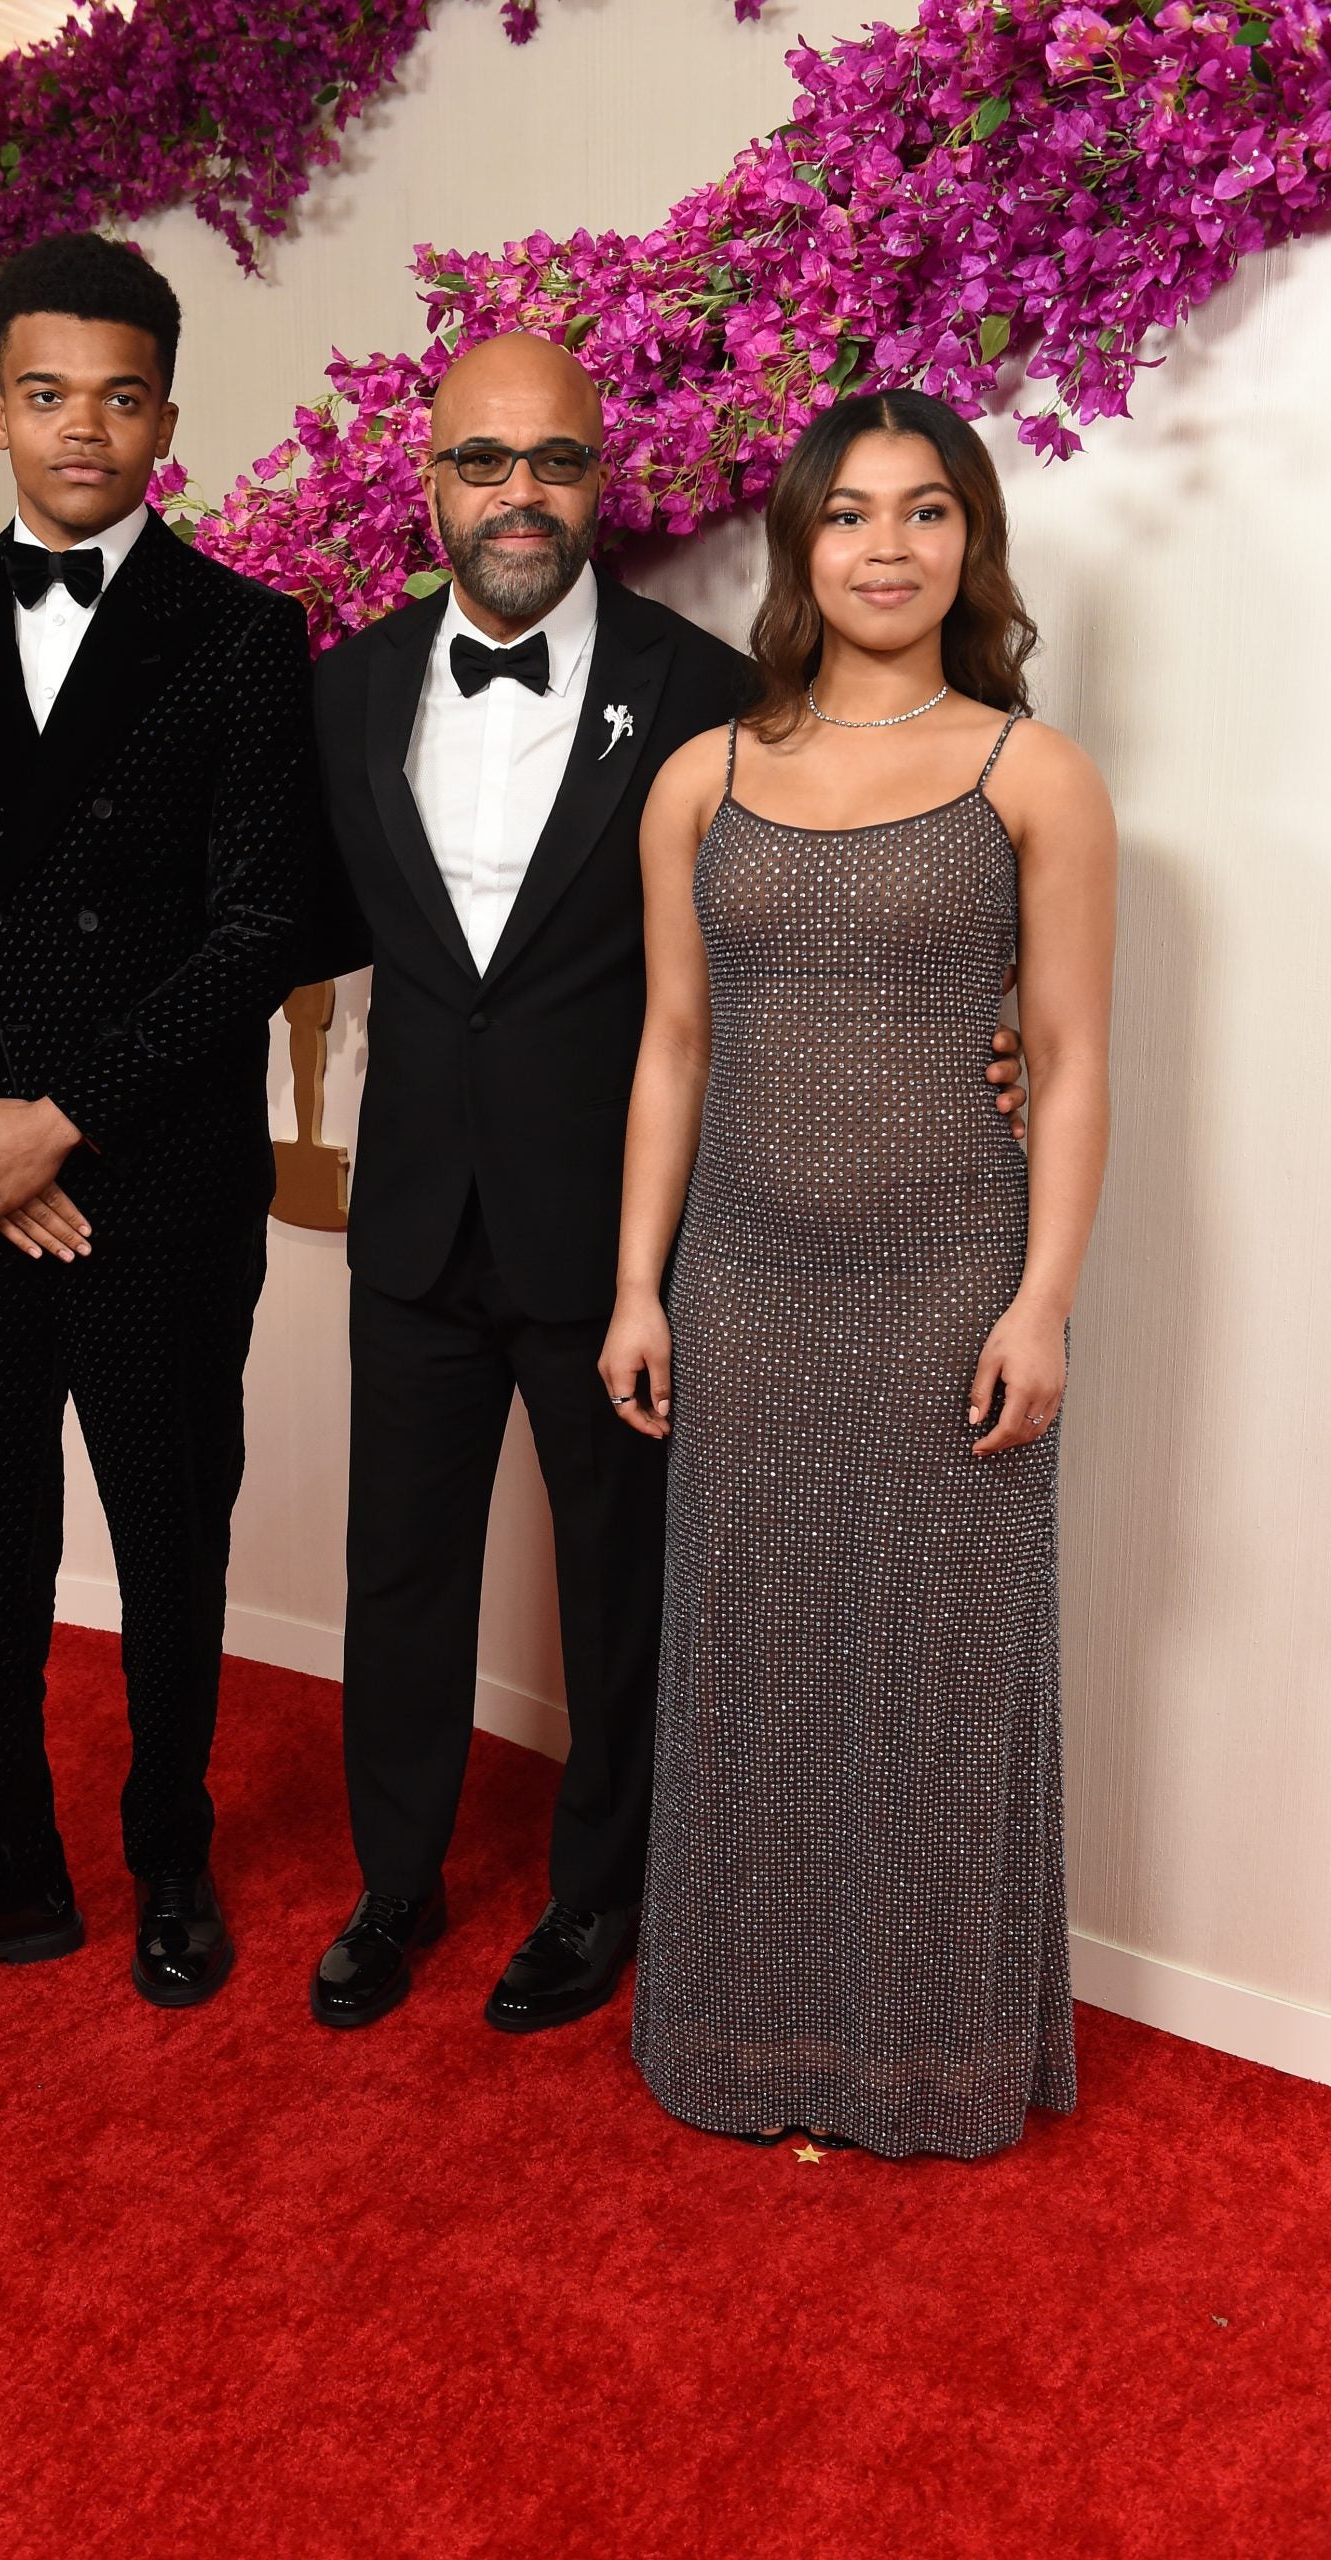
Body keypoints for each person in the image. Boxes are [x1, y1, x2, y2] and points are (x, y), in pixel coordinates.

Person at [304, 337, 1030, 2035]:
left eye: (554, 463)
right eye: (485, 463)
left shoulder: (706, 694)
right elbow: (299, 921)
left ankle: (598, 1895)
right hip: (413, 1215)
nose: (520, 495)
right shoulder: (341, 688)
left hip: (625, 1231)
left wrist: (989, 1032)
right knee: (397, 1571)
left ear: (598, 480)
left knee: (625, 1590)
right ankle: (391, 1887)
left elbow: (812, 915)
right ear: (430, 481)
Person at [601, 388, 1116, 2159]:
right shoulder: (704, 777)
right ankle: (745, 2046)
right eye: (848, 514)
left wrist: (1043, 1300)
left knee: (941, 1678)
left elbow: (1069, 1055)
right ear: (797, 547)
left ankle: (935, 2060)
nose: (885, 547)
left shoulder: (1028, 771)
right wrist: (637, 1287)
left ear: (970, 545)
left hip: (949, 1293)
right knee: (752, 1667)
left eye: (925, 512)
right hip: (740, 1289)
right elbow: (672, 1046)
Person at [0, 231, 318, 2008]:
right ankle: (2, 1872)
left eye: (118, 397)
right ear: (0, 411)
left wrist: (64, 1122)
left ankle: (171, 1854)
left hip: (157, 1176)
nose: (80, 427)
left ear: (168, 416)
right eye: (46, 394)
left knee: (170, 1535)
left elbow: (259, 923)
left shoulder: (249, 634)